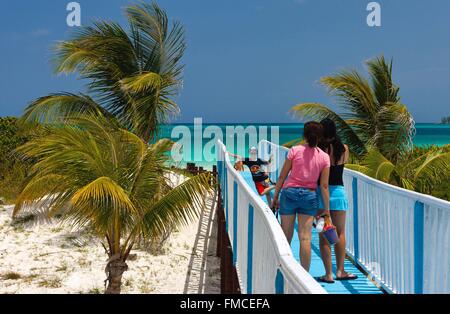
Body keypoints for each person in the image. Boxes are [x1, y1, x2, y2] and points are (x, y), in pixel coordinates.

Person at [271, 122, 330, 272]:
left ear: (304, 135)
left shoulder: (295, 150)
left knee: (286, 236)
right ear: (320, 137)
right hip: (309, 196)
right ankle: (304, 276)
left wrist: (275, 197)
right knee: (305, 238)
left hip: (289, 193)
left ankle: (283, 269)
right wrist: (327, 211)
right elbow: (324, 186)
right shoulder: (324, 157)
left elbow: (282, 177)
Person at [316, 118, 357, 283]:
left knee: (324, 234)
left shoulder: (318, 151)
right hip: (339, 193)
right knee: (340, 233)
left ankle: (328, 274)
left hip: (321, 195)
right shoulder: (344, 149)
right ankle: (340, 270)